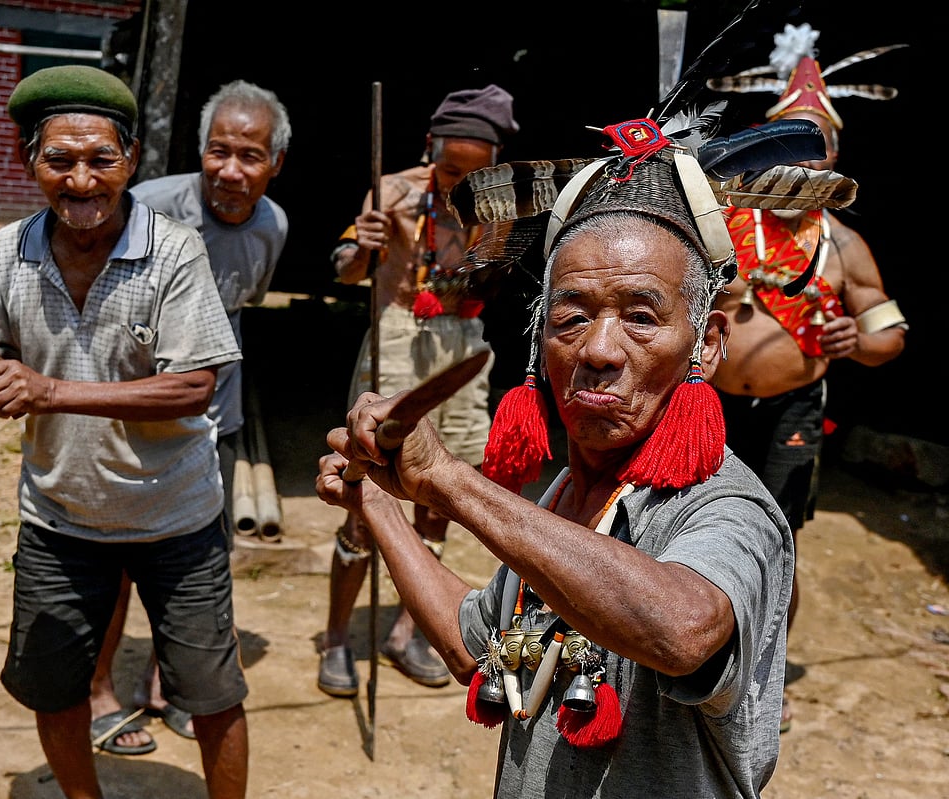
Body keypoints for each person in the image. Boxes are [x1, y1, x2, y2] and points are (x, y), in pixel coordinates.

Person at [315, 113, 798, 796]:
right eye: (571, 317)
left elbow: (682, 629)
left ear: (707, 342)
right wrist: (378, 501)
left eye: (641, 315)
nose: (599, 350)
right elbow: (473, 646)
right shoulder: (565, 496)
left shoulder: (726, 504)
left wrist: (451, 483)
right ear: (540, 341)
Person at [0, 64, 249, 798]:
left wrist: (50, 389)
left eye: (100, 160)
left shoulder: (173, 250)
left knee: (210, 695)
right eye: (60, 160)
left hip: (176, 516)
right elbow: (5, 364)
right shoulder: (8, 250)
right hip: (59, 515)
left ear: (131, 160)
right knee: (55, 687)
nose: (81, 181)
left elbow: (194, 386)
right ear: (29, 162)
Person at [707, 23, 908, 733]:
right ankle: (687, 656)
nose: (803, 154)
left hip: (793, 408)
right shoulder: (720, 222)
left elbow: (889, 332)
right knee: (687, 528)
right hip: (708, 406)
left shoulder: (842, 242)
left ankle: (762, 674)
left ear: (834, 155)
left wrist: (861, 341)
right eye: (789, 138)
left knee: (775, 545)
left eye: (816, 141)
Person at [88, 78, 291, 747]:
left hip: (217, 423)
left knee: (193, 562)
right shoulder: (146, 208)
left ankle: (160, 681)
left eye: (250, 155)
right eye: (218, 151)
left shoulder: (271, 225)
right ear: (200, 151)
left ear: (274, 164)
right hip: (136, 417)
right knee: (115, 559)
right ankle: (99, 694)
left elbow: (240, 305)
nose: (231, 170)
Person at [317, 85, 518, 696]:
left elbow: (494, 283)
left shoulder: (501, 203)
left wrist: (486, 245)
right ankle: (334, 639)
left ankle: (410, 631)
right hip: (398, 340)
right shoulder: (394, 190)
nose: (461, 182)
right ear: (429, 150)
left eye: (475, 173)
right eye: (451, 169)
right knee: (364, 484)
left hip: (461, 343)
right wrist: (365, 247)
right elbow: (344, 268)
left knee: (440, 491)